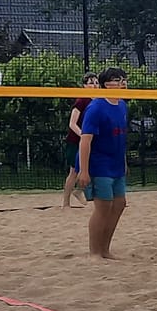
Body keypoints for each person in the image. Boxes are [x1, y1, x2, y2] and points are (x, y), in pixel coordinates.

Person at [75, 67, 131, 259]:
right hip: (99, 164)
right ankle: (95, 252)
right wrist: (83, 170)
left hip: (116, 164)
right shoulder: (96, 108)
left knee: (119, 204)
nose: (123, 83)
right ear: (107, 84)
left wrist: (123, 161)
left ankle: (105, 250)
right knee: (103, 206)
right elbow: (85, 140)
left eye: (124, 79)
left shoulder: (122, 105)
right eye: (118, 80)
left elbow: (121, 138)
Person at [60, 71, 98, 209]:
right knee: (74, 171)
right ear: (84, 85)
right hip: (75, 141)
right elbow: (72, 123)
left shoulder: (98, 101)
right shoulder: (82, 100)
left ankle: (79, 191)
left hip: (89, 141)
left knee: (90, 167)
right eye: (91, 83)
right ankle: (66, 203)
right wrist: (84, 135)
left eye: (96, 83)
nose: (95, 85)